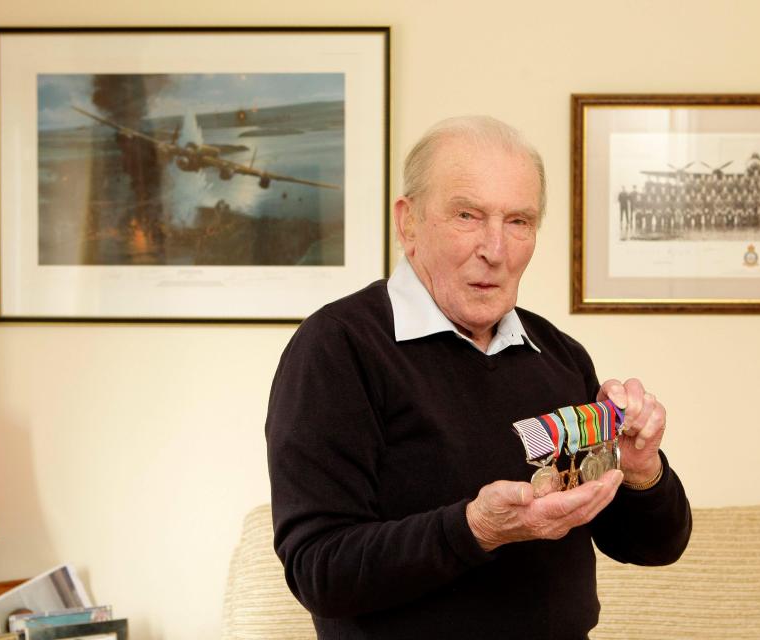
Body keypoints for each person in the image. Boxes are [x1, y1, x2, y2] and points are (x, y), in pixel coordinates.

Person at [266, 116, 692, 640]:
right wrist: (476, 530)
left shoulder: (559, 355)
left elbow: (653, 546)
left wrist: (642, 470)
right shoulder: (337, 347)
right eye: (468, 215)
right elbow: (318, 569)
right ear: (409, 222)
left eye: (519, 221)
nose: (496, 248)